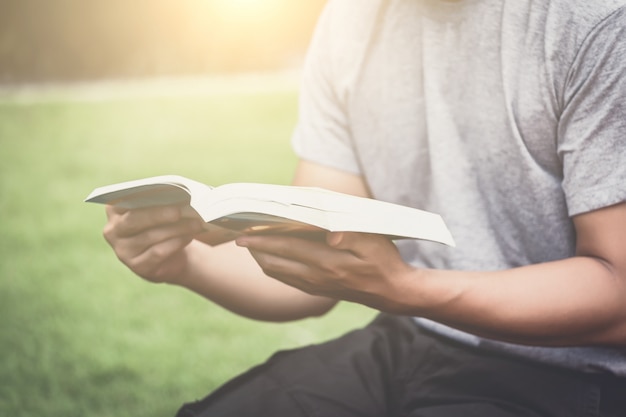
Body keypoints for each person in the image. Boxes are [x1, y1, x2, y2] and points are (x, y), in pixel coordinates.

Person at [102, 0, 626, 415]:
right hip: (411, 339)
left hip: (573, 375)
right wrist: (185, 263)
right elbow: (308, 267)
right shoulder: (350, 19)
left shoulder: (595, 21)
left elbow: (618, 288)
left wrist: (406, 288)